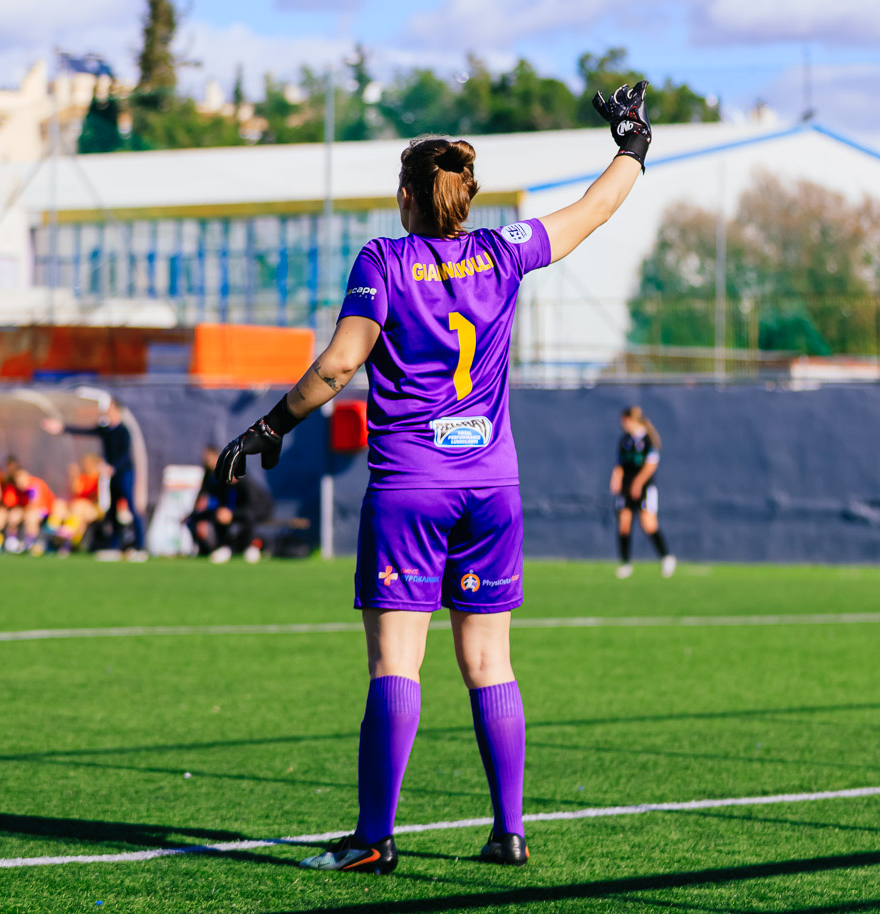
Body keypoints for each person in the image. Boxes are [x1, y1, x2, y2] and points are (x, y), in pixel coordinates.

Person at [217, 82, 653, 873]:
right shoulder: (504, 250)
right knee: (490, 664)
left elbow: (339, 365)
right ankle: (509, 831)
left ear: (409, 196)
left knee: (397, 664)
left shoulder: (383, 261)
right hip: (493, 489)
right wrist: (632, 144)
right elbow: (594, 211)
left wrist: (269, 427)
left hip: (411, 490)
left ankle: (373, 840)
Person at [43, 400, 146, 561]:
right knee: (112, 511)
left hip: (124, 473)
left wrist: (113, 467)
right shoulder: (106, 430)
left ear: (117, 411)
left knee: (131, 507)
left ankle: (140, 546)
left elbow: (125, 455)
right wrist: (62, 428)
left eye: (110, 409)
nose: (107, 412)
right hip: (112, 475)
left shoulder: (124, 430)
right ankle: (115, 545)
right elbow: (85, 430)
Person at [611, 406, 676, 579]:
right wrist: (616, 479)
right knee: (624, 524)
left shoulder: (648, 440)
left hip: (645, 488)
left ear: (632, 420)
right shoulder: (624, 440)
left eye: (625, 420)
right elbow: (620, 464)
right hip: (626, 488)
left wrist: (638, 483)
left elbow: (650, 465)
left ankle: (666, 557)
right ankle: (625, 564)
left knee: (648, 525)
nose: (622, 424)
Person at [188, 444, 270, 564]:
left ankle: (250, 547)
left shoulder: (246, 485)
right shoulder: (218, 481)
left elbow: (252, 509)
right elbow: (209, 497)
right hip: (236, 512)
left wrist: (232, 514)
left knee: (247, 518)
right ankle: (220, 547)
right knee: (215, 515)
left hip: (258, 510)